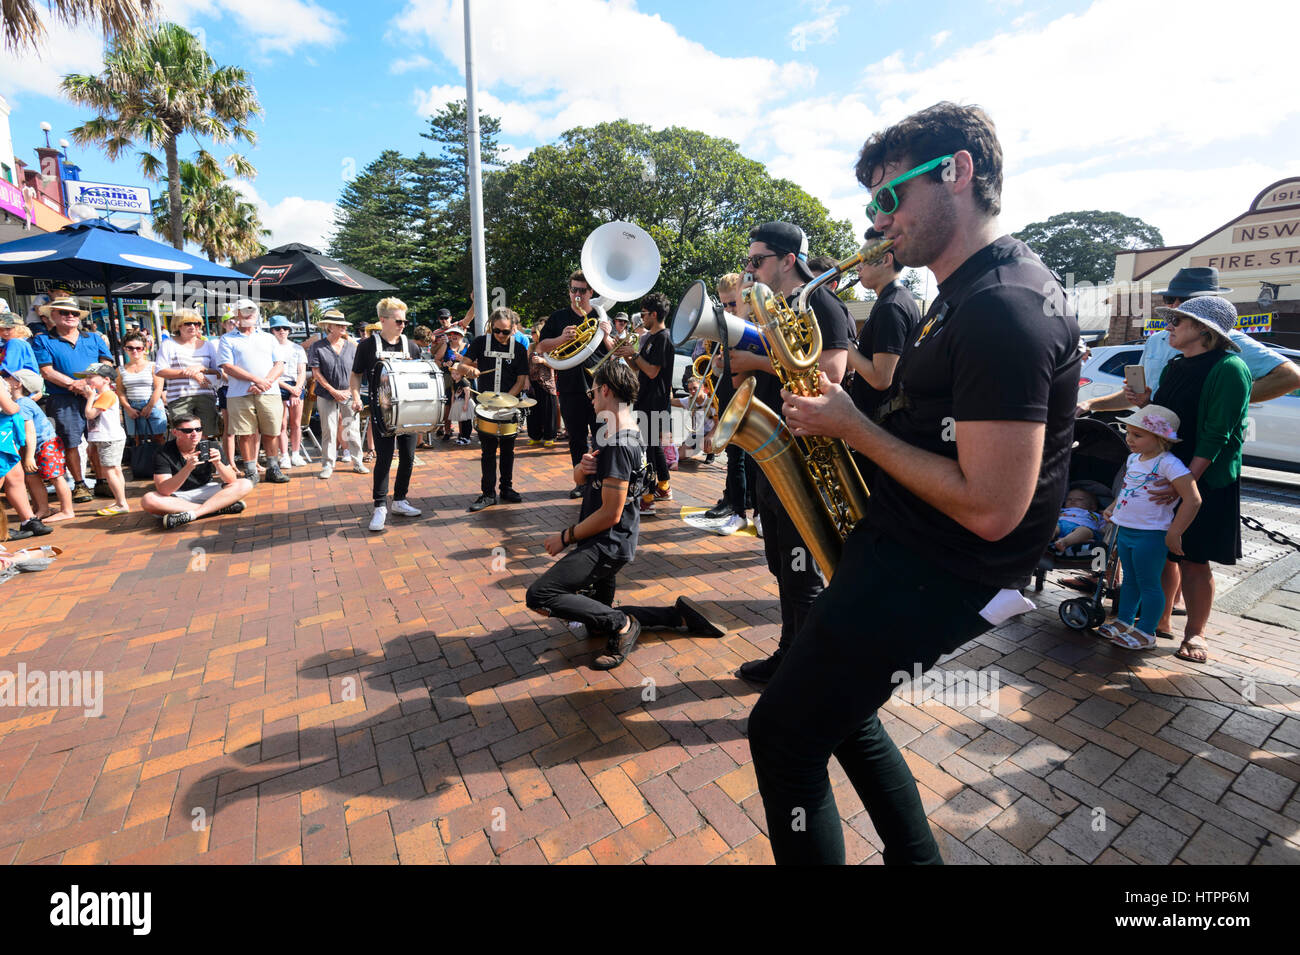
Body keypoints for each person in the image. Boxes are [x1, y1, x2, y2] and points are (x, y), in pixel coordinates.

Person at [747, 102, 1081, 865]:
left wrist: (852, 429)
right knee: (844, 713)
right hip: (912, 547)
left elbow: (995, 507)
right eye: (872, 203)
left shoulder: (1004, 307)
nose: (877, 220)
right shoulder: (966, 290)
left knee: (783, 733)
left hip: (944, 568)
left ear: (957, 173)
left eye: (889, 196)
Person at [726, 221, 856, 684]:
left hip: (806, 453)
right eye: (748, 261)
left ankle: (806, 670)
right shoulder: (775, 304)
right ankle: (790, 652)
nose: (750, 270)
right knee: (782, 562)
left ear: (787, 260)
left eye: (756, 261)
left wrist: (758, 358)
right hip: (777, 447)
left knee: (801, 572)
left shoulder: (820, 300)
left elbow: (833, 373)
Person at [1139, 296, 1252, 664]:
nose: (1168, 327)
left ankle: (1196, 633)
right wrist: (1144, 402)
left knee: (1194, 557)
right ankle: (1161, 621)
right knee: (1164, 552)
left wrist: (1186, 484)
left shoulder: (1230, 368)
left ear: (1204, 331)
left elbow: (1218, 434)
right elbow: (1163, 419)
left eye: (1177, 321)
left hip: (1204, 479)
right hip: (1167, 471)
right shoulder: (1175, 365)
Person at [525, 360, 648, 669]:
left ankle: (622, 624)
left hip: (606, 543)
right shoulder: (619, 431)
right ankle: (610, 620)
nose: (591, 398)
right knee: (593, 622)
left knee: (540, 595)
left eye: (593, 392)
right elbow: (587, 481)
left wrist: (565, 537)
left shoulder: (620, 441)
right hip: (609, 541)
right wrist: (581, 471)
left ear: (605, 390)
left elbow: (610, 513)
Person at [1078, 267, 1300, 417]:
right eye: (1169, 299)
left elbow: (1290, 377)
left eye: (1185, 301)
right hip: (1153, 442)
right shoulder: (1157, 340)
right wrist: (1091, 404)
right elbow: (1139, 396)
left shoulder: (1229, 344)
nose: (1175, 306)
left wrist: (1216, 403)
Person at [1098, 405, 1201, 650]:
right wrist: (1114, 506)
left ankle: (1146, 632)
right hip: (1126, 530)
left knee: (1149, 583)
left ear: (1160, 438)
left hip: (1151, 534)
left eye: (1137, 435)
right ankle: (1124, 621)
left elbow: (1193, 498)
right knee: (1131, 580)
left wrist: (1175, 531)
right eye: (1128, 432)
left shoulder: (1168, 463)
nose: (1129, 439)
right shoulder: (1133, 458)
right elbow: (1128, 488)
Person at [847, 229, 922, 483]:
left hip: (880, 430)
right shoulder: (895, 300)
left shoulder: (891, 306)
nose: (858, 267)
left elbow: (882, 378)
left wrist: (845, 349)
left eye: (864, 258)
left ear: (887, 259)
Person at [537, 270, 614, 497]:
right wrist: (562, 338)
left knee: (602, 436)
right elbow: (542, 347)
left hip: (599, 387)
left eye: (582, 290)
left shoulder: (601, 316)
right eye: (573, 290)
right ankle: (581, 482)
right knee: (577, 438)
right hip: (570, 387)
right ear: (569, 291)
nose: (577, 295)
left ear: (591, 292)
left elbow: (613, 352)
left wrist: (607, 334)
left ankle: (602, 480)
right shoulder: (558, 318)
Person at [350, 297, 423, 532]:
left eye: (405, 320)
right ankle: (380, 506)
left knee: (408, 457)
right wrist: (354, 397)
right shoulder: (367, 346)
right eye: (398, 320)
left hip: (408, 410)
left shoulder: (411, 346)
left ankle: (400, 500)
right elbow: (356, 375)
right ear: (383, 320)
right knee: (384, 458)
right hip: (382, 411)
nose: (403, 324)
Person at [31, 296, 111, 503]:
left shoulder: (94, 337)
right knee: (71, 442)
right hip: (63, 399)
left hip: (95, 397)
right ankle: (80, 484)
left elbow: (107, 363)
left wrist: (90, 385)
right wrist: (74, 385)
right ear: (53, 315)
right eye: (64, 312)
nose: (70, 316)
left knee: (98, 439)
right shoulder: (42, 340)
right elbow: (47, 372)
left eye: (74, 313)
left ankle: (102, 480)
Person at [703, 273, 760, 536]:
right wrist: (716, 366)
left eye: (732, 304)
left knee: (758, 458)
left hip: (754, 394)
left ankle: (759, 514)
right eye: (723, 305)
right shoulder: (723, 325)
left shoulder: (758, 321)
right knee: (734, 456)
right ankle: (738, 513)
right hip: (730, 392)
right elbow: (718, 367)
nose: (727, 310)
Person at [459, 308, 530, 512]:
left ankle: (506, 488)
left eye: (505, 332)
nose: (500, 335)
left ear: (513, 330)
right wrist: (469, 370)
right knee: (488, 451)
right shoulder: (481, 342)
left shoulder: (518, 349)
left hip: (509, 405)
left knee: (508, 449)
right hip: (486, 405)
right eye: (496, 330)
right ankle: (488, 493)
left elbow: (521, 379)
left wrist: (507, 400)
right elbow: (461, 366)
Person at [217, 298, 289, 485]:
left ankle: (273, 468)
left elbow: (279, 365)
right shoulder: (227, 339)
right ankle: (250, 471)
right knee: (245, 433)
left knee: (272, 431)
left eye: (252, 311)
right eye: (244, 311)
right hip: (239, 394)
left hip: (269, 391)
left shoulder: (269, 338)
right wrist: (257, 380)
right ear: (237, 314)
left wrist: (266, 382)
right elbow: (228, 367)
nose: (249, 314)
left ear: (257, 314)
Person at [140, 413, 253, 529]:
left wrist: (218, 463)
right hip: (178, 496)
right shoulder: (163, 452)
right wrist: (187, 468)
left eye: (198, 429)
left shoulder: (212, 445)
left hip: (206, 489)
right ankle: (216, 507)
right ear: (175, 432)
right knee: (148, 500)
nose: (195, 434)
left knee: (245, 484)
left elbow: (231, 480)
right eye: (188, 430)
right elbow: (164, 490)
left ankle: (194, 514)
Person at [619, 291, 674, 515]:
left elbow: (652, 372)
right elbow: (640, 368)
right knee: (653, 447)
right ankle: (664, 487)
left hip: (655, 402)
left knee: (649, 451)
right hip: (646, 400)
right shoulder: (651, 337)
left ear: (653, 314)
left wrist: (634, 354)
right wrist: (627, 355)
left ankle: (648, 498)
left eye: (643, 313)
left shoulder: (663, 338)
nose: (641, 318)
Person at [5, 369, 74, 523]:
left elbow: (29, 432)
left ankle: (67, 510)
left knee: (56, 477)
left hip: (45, 444)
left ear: (18, 384)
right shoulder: (18, 403)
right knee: (32, 477)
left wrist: (29, 457)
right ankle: (43, 508)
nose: (6, 380)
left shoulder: (23, 404)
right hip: (36, 447)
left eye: (9, 378)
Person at [309, 310, 365, 479]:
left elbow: (357, 372)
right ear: (329, 327)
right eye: (339, 325)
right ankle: (327, 464)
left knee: (351, 428)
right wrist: (333, 391)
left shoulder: (352, 346)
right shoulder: (317, 347)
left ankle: (358, 462)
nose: (343, 327)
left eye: (344, 325)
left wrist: (352, 392)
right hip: (326, 394)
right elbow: (316, 373)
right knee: (329, 430)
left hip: (348, 393)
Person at [78, 361, 130, 516]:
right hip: (108, 438)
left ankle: (121, 503)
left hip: (110, 438)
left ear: (106, 379)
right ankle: (120, 501)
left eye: (92, 377)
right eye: (87, 377)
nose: (88, 380)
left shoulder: (106, 395)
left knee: (110, 471)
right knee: (114, 471)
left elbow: (90, 414)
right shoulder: (104, 395)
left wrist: (90, 397)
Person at [0, 379, 51, 538]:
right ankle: (2, 531)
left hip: (5, 432)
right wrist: (16, 404)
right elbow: (10, 407)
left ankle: (28, 520)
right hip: (2, 432)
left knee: (16, 477)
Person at [268, 315, 310, 469]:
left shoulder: (297, 348)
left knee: (296, 423)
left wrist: (296, 389)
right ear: (272, 330)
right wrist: (290, 389)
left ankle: (296, 454)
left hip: (296, 386)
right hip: (277, 386)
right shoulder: (269, 348)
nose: (282, 331)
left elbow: (302, 372)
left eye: (285, 328)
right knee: (281, 424)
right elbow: (269, 373)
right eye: (278, 328)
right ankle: (284, 455)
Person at [116, 330, 167, 450]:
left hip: (152, 403)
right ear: (125, 349)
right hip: (132, 405)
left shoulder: (153, 366)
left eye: (138, 348)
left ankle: (162, 464)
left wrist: (149, 406)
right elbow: (121, 391)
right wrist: (128, 408)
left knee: (158, 437)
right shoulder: (120, 370)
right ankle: (142, 465)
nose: (134, 351)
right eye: (130, 348)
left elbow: (158, 387)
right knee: (137, 440)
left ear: (144, 349)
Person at [526, 324, 559, 448]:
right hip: (533, 382)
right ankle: (535, 436)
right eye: (532, 332)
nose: (532, 334)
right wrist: (526, 381)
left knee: (548, 411)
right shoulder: (530, 346)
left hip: (547, 383)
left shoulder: (549, 346)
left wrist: (543, 361)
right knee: (533, 411)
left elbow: (557, 365)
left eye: (534, 332)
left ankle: (549, 436)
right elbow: (526, 364)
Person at [1051, 488, 1104, 554]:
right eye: (1069, 499)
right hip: (1061, 524)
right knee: (1052, 526)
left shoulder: (1095, 515)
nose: (1072, 501)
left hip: (1082, 527)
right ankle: (1047, 538)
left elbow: (1104, 527)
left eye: (1079, 499)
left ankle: (1064, 542)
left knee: (1084, 531)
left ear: (1093, 506)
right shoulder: (1062, 510)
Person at [0, 310, 41, 376]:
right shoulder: (20, 342)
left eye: (8, 329)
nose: (5, 333)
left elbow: (8, 369)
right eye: (1, 329)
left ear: (19, 328)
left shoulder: (15, 342)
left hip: (23, 383)